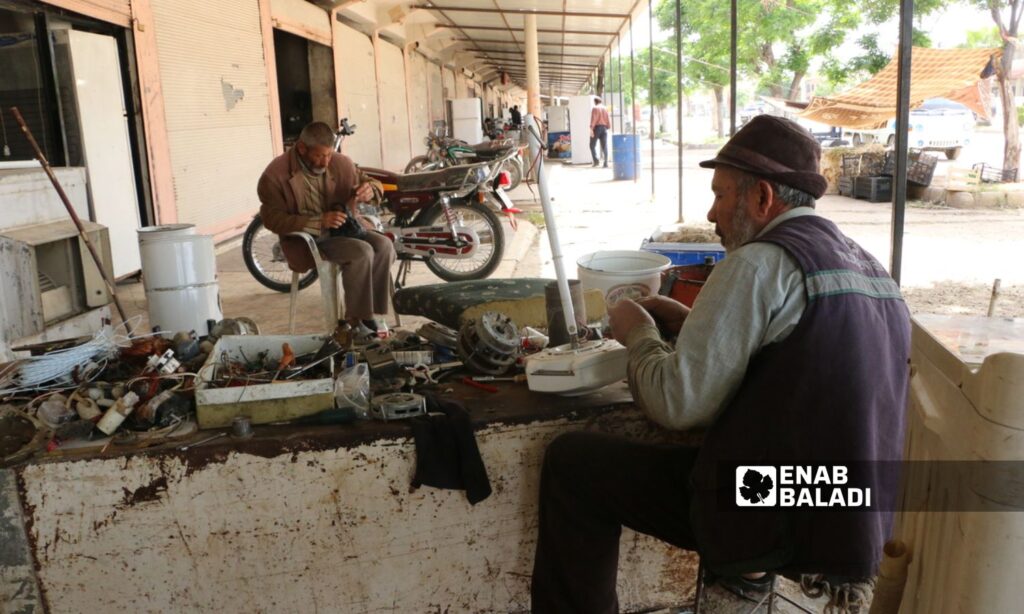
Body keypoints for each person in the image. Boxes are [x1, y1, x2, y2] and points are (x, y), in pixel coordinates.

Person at [531, 115, 910, 613]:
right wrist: (691, 322)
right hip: (854, 511)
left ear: (762, 199)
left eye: (720, 195)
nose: (712, 214)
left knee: (573, 463)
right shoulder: (867, 266)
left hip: (775, 505)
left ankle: (744, 564)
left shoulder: (758, 262)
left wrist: (636, 331)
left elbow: (677, 404)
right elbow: (797, 361)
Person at [258, 121, 396, 336]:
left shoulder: (341, 163)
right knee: (362, 252)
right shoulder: (275, 175)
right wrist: (318, 221)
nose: (326, 161)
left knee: (384, 245)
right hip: (309, 240)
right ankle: (357, 321)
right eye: (320, 156)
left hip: (347, 229)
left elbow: (372, 182)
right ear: (302, 148)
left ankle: (371, 315)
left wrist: (371, 190)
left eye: (330, 155)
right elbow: (272, 219)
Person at [589, 96, 611, 167]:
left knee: (592, 145)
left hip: (597, 128)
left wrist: (591, 128)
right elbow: (608, 119)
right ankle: (605, 163)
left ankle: (596, 161)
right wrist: (608, 127)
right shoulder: (605, 108)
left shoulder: (595, 108)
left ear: (595, 102)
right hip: (604, 128)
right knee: (604, 146)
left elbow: (594, 119)